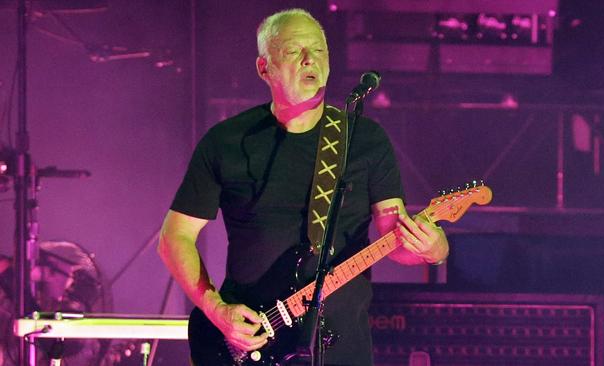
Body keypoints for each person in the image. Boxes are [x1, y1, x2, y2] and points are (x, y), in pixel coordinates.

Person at [157, 8, 448, 366]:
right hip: (247, 341)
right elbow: (175, 237)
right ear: (265, 68)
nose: (311, 59)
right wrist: (217, 311)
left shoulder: (364, 140)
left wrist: (433, 248)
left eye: (320, 50)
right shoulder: (227, 141)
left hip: (340, 344)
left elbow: (395, 238)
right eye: (295, 51)